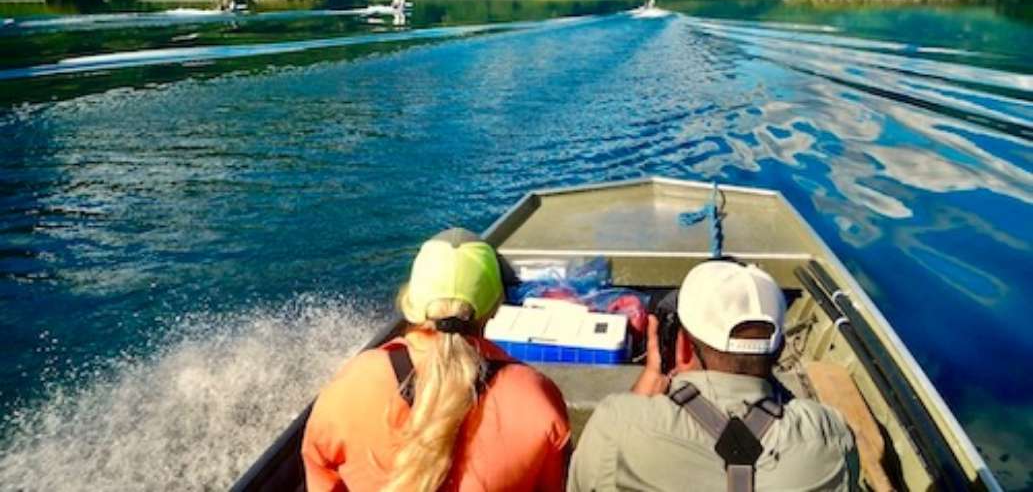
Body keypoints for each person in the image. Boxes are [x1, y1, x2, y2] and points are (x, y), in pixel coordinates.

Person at [302, 228, 571, 492]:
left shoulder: (353, 384)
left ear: (411, 299)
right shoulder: (535, 399)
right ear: (494, 307)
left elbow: (320, 472)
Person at [568, 259, 859, 491]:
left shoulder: (617, 424)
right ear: (779, 349)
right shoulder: (830, 433)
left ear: (681, 346)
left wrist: (641, 394)